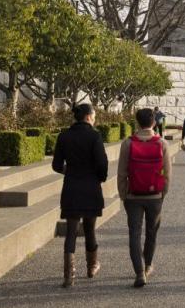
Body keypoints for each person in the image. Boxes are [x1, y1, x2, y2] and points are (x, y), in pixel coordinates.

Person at [52, 103, 109, 288]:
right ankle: (92, 267)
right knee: (90, 229)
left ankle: (68, 275)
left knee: (71, 231)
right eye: (94, 115)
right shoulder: (94, 136)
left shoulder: (64, 136)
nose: (95, 118)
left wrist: (70, 171)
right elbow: (102, 163)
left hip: (71, 187)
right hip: (90, 187)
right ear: (88, 117)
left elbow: (56, 165)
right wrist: (99, 177)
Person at [118, 108, 172, 288]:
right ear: (154, 123)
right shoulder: (162, 143)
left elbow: (121, 173)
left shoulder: (127, 143)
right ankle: (148, 265)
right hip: (154, 195)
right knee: (151, 232)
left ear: (136, 123)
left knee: (134, 233)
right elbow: (167, 174)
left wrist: (123, 194)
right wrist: (163, 192)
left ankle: (139, 272)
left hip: (133, 195)